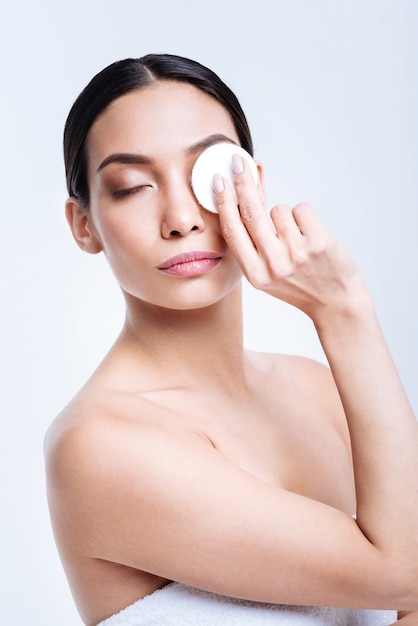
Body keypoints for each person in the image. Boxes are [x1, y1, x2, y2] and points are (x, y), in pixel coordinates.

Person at [44, 54, 418, 626]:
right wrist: (344, 311)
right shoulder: (98, 446)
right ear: (83, 224)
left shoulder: (317, 390)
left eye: (208, 175)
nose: (181, 218)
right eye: (131, 186)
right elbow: (407, 574)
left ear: (254, 184)